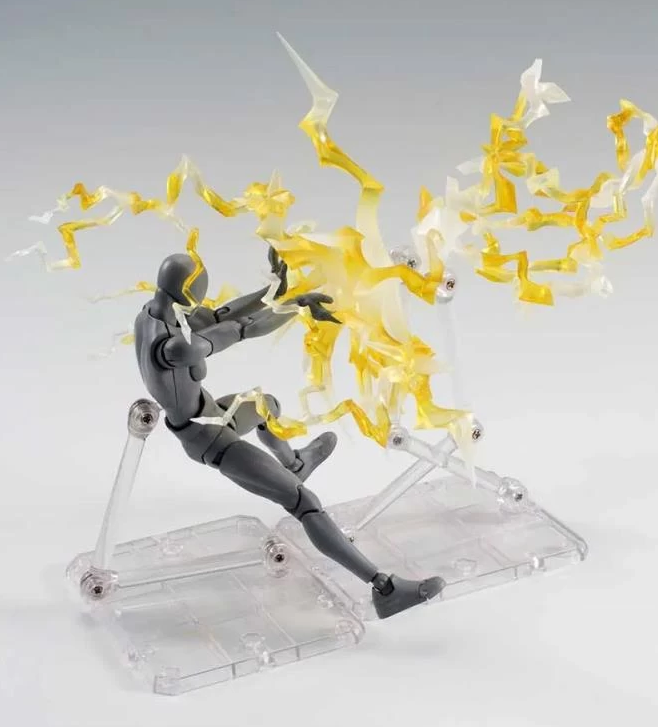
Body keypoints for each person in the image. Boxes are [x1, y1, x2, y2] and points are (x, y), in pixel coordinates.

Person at [132, 250, 444, 619]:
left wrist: (273, 290)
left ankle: (294, 463)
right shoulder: (176, 347)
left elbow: (218, 317)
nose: (201, 301)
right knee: (304, 503)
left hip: (213, 414)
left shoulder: (152, 314)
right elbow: (241, 328)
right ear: (188, 291)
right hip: (212, 441)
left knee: (267, 406)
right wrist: (296, 306)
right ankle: (385, 588)